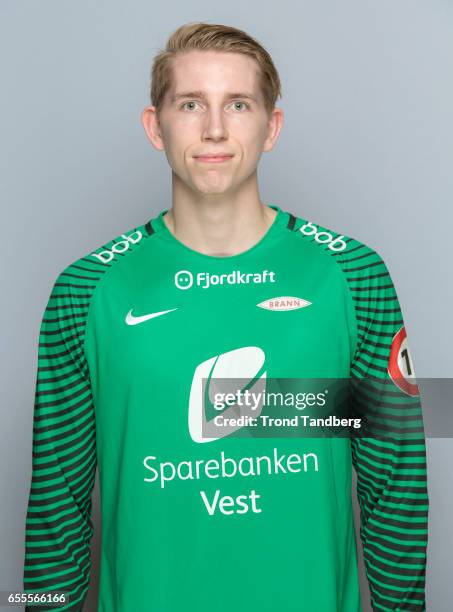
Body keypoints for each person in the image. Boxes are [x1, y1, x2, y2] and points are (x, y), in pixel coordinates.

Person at [23, 21, 428, 612]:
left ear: (272, 127)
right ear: (154, 126)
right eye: (190, 104)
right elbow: (57, 506)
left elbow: (396, 482)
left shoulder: (352, 275)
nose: (214, 128)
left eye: (238, 104)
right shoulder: (87, 289)